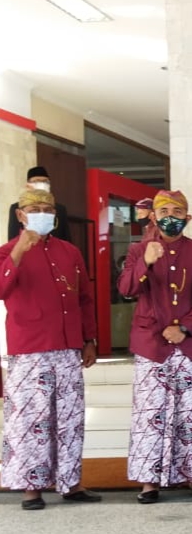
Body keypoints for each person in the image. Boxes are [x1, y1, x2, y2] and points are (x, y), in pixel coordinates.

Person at [118, 189, 192, 503]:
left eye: (177, 212)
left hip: (191, 345)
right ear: (153, 216)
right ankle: (149, 481)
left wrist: (186, 327)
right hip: (152, 346)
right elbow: (126, 289)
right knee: (151, 414)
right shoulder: (138, 250)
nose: (170, 218)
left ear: (187, 218)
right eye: (164, 212)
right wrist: (144, 264)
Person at [0, 187, 99, 509]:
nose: (42, 213)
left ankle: (71, 484)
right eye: (35, 208)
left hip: (68, 347)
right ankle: (32, 488)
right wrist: (18, 252)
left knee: (69, 419)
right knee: (31, 421)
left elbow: (84, 298)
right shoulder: (6, 252)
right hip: (30, 350)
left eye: (47, 208)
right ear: (20, 215)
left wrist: (88, 339)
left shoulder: (69, 251)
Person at [7, 166, 72, 244]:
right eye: (36, 181)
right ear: (28, 185)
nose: (42, 184)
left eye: (45, 181)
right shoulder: (17, 207)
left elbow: (65, 236)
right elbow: (13, 235)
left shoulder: (60, 208)